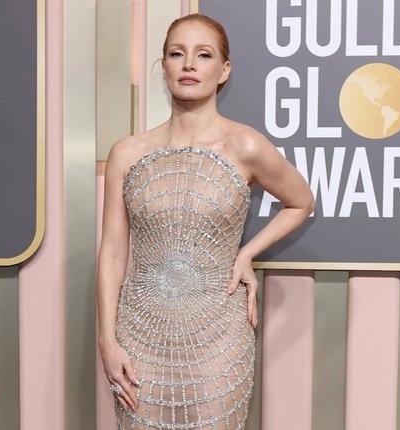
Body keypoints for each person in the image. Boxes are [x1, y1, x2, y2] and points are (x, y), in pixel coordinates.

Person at [97, 13, 315, 430]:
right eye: (176, 54)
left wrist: (246, 254)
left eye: (204, 55)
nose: (189, 64)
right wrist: (107, 339)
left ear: (224, 70)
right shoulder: (127, 153)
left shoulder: (245, 145)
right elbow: (112, 253)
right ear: (163, 66)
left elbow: (301, 202)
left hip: (219, 334)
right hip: (139, 332)